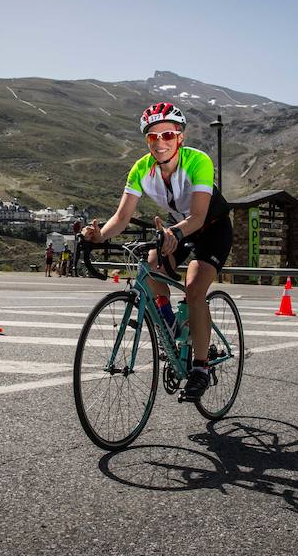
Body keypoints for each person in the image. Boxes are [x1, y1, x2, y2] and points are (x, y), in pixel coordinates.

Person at [83, 102, 232, 401]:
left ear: (180, 137)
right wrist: (98, 236)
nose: (160, 142)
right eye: (152, 137)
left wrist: (174, 233)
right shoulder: (141, 169)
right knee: (151, 266)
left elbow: (199, 217)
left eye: (167, 135)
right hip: (178, 227)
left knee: (193, 288)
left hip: (211, 228)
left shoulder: (198, 161)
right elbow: (122, 218)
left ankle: (201, 368)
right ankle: (171, 324)